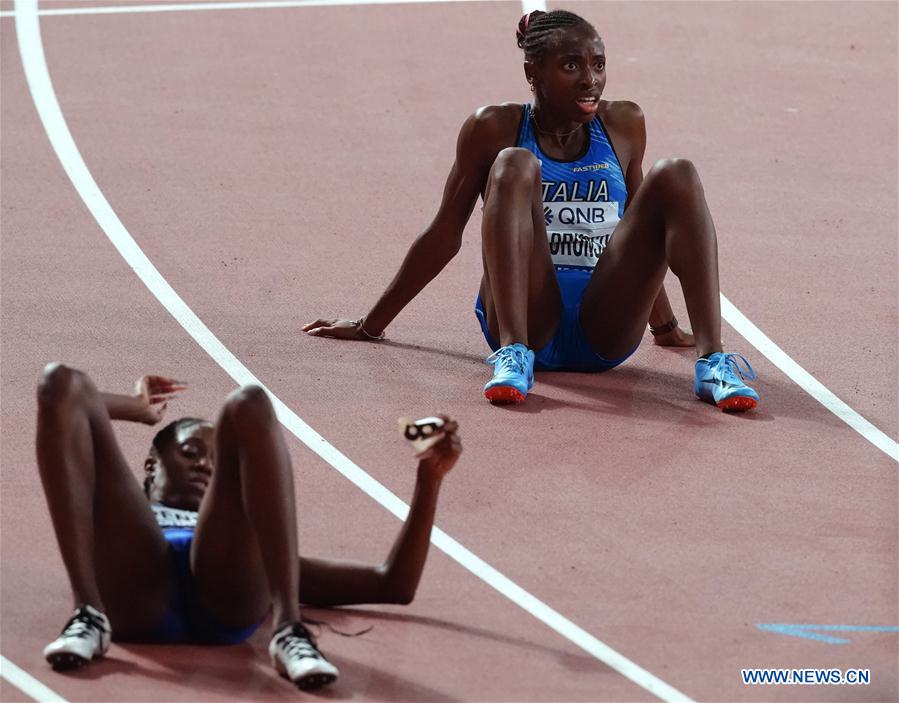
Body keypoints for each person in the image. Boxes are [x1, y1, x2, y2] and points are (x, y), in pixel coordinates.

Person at [303, 9, 759, 412]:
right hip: (528, 320)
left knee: (677, 172)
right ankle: (512, 355)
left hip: (605, 328)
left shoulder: (623, 124)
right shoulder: (494, 127)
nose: (590, 79)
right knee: (514, 163)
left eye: (598, 65)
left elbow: (641, 230)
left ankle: (713, 363)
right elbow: (445, 232)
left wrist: (665, 327)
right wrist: (371, 325)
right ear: (532, 72)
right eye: (571, 65)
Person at [36, 363, 461, 691]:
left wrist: (429, 482)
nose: (205, 463)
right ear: (151, 467)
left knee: (248, 402)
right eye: (190, 452)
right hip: (134, 587)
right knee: (59, 380)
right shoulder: (120, 526)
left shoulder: (257, 553)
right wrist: (135, 408)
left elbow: (392, 585)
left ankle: (289, 630)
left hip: (226, 594)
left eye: (217, 459)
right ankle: (88, 616)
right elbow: (74, 401)